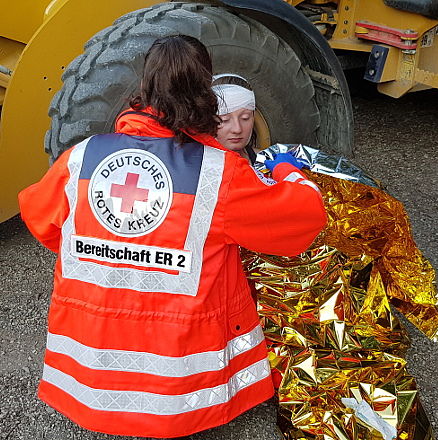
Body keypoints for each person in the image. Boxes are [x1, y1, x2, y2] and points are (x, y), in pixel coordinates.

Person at [18, 35, 326, 438]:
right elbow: (300, 221)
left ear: (143, 86)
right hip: (180, 385)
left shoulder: (82, 155)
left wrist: (112, 252)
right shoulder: (219, 171)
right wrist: (290, 173)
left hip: (87, 375)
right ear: (205, 92)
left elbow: (40, 218)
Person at [212, 73, 259, 163]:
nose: (237, 129)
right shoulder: (197, 169)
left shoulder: (266, 162)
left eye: (245, 118)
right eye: (224, 120)